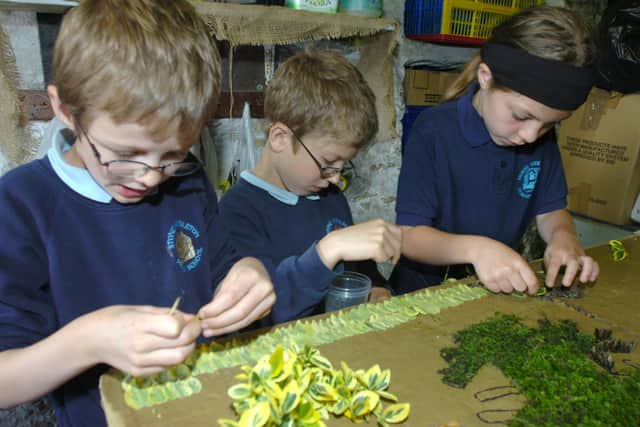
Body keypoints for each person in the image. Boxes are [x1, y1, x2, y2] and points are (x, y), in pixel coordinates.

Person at [0, 1, 275, 426]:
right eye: (124, 155)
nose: (149, 177)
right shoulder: (22, 207)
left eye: (171, 155)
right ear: (65, 111)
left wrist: (250, 272)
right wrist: (89, 341)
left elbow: (225, 262)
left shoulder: (187, 181)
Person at [391, 5, 600, 296]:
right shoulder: (434, 131)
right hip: (424, 291)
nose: (530, 136)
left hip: (494, 289)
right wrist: (477, 250)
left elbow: (551, 210)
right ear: (485, 77)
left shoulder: (539, 138)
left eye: (549, 125)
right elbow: (409, 237)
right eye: (522, 116)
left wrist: (564, 237)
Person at [217, 50, 402, 325]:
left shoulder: (330, 198)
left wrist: (375, 288)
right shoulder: (237, 213)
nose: (335, 178)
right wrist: (329, 249)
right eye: (328, 162)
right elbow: (266, 315)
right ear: (280, 137)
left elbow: (356, 269)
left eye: (344, 165)